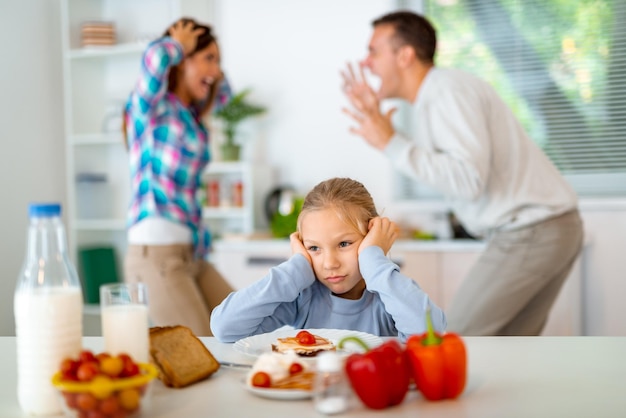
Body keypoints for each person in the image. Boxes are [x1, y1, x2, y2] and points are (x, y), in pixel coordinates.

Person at [340, 11, 584, 336]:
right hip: (547, 228)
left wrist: (391, 142)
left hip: (532, 231)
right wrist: (390, 138)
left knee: (457, 340)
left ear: (405, 55)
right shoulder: (439, 94)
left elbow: (467, 180)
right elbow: (459, 171)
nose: (366, 63)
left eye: (373, 51)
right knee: (512, 350)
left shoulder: (445, 92)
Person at [210, 177, 446, 343]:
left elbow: (432, 336)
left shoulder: (389, 295)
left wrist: (374, 260)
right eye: (314, 248)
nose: (330, 263)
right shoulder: (303, 297)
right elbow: (225, 329)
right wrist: (295, 269)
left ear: (371, 237)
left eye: (344, 244)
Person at [123, 18, 234, 336]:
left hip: (192, 253)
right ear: (180, 60)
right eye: (208, 58)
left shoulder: (190, 116)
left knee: (245, 327)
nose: (215, 71)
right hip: (155, 256)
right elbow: (155, 60)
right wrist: (177, 43)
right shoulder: (151, 109)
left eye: (218, 61)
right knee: (201, 349)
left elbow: (225, 96)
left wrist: (211, 68)